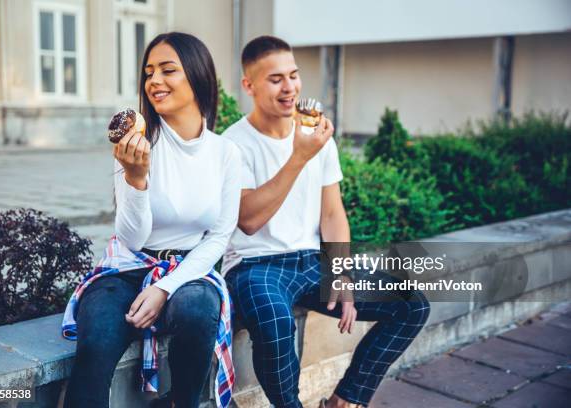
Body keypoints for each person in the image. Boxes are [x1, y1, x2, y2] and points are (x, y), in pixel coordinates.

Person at [221, 35, 431, 408]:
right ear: (249, 86)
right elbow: (248, 220)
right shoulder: (233, 144)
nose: (290, 88)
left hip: (311, 263)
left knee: (411, 304)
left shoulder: (318, 136)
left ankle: (345, 400)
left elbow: (333, 213)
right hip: (255, 267)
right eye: (275, 79)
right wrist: (300, 156)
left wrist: (342, 272)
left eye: (294, 75)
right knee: (274, 321)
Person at [61, 32, 241, 408]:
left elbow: (219, 236)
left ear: (198, 76)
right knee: (97, 339)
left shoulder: (225, 152)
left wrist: (165, 287)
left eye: (167, 70)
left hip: (188, 266)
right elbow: (130, 237)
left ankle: (181, 403)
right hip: (127, 266)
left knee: (197, 310)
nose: (154, 81)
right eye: (149, 73)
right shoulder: (135, 143)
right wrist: (136, 179)